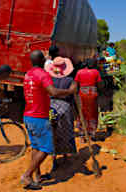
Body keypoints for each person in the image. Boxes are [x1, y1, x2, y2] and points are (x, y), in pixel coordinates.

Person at [21, 50, 74, 190]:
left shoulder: (28, 74)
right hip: (39, 117)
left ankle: (37, 176)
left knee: (36, 146)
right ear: (42, 61)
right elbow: (53, 92)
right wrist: (70, 91)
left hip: (28, 115)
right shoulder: (42, 75)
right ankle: (27, 175)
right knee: (46, 148)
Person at [45, 57, 78, 171]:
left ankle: (54, 158)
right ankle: (65, 156)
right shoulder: (70, 80)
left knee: (53, 132)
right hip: (65, 108)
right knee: (66, 131)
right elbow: (73, 94)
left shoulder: (49, 79)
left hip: (51, 107)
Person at [75, 58, 103, 142]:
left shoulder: (79, 72)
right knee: (92, 113)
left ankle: (82, 135)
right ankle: (92, 133)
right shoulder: (96, 72)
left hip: (82, 94)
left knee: (82, 113)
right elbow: (99, 85)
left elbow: (76, 84)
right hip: (92, 95)